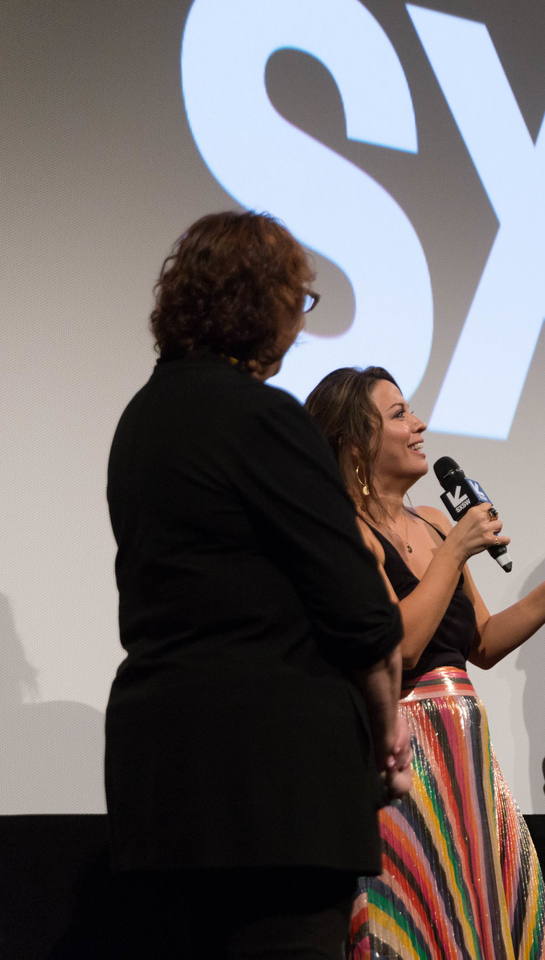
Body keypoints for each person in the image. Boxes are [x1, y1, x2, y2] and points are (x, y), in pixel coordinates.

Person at [106, 211, 410, 958]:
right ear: (260, 302)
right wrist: (387, 735)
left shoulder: (139, 421)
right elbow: (358, 610)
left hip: (158, 780)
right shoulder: (263, 418)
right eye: (298, 302)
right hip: (272, 786)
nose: (300, 326)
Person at [303, 365, 545, 960]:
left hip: (466, 756)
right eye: (400, 414)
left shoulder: (433, 520)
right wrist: (457, 549)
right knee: (415, 920)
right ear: (354, 443)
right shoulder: (344, 530)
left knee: (491, 922)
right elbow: (401, 647)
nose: (420, 424)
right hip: (404, 754)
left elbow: (482, 641)